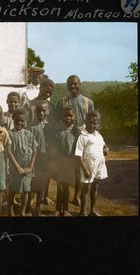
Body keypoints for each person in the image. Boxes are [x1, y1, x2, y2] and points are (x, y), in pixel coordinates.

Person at [55, 75, 94, 207]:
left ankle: (76, 196)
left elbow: (92, 122)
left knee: (80, 170)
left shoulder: (88, 102)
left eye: (75, 84)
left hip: (82, 137)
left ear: (79, 84)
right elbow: (57, 120)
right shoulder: (62, 102)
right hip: (67, 137)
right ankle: (62, 201)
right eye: (70, 84)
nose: (72, 86)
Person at [75, 110, 109, 216]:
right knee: (86, 188)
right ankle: (83, 211)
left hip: (99, 165)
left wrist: (106, 149)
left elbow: (104, 146)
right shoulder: (82, 136)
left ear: (98, 124)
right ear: (85, 121)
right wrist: (85, 169)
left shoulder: (98, 135)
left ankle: (92, 210)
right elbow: (78, 155)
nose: (92, 125)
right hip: (88, 167)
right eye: (89, 122)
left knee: (95, 188)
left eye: (95, 123)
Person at [7, 108, 38, 217]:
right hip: (15, 168)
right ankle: (10, 211)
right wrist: (18, 168)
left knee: (26, 190)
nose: (19, 123)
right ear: (13, 119)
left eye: (22, 121)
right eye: (17, 120)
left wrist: (31, 166)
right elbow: (9, 151)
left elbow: (35, 149)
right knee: (13, 190)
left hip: (27, 169)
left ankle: (22, 212)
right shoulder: (10, 134)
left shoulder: (29, 134)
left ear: (26, 121)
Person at [51, 106, 81, 217]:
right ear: (62, 117)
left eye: (70, 115)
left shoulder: (77, 131)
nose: (68, 118)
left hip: (71, 163)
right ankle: (58, 209)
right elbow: (53, 146)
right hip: (59, 162)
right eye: (65, 115)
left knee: (67, 186)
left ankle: (66, 209)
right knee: (60, 186)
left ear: (75, 117)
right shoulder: (57, 130)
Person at [27, 100, 54, 216]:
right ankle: (28, 207)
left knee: (42, 184)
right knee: (31, 183)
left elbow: (52, 145)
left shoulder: (49, 128)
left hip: (45, 159)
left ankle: (38, 206)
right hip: (33, 160)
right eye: (39, 111)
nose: (41, 113)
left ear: (47, 111)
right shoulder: (30, 126)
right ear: (35, 111)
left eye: (44, 110)